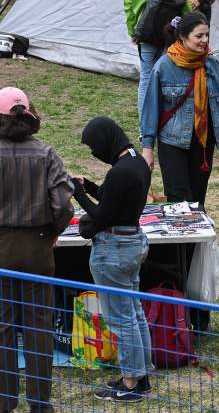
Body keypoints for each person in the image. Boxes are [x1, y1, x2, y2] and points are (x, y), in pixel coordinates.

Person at [0, 87, 73, 413]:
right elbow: (63, 204)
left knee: (0, 329)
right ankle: (39, 404)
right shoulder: (47, 155)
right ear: (30, 115)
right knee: (38, 328)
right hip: (37, 246)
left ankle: (3, 405)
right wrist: (52, 232)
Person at [74, 117, 154, 401]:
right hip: (132, 242)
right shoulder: (136, 162)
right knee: (133, 312)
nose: (95, 153)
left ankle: (130, 382)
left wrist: (79, 194)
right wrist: (93, 186)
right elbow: (116, 201)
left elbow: (102, 215)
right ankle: (142, 374)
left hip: (114, 249)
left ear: (106, 142)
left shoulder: (121, 172)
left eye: (95, 148)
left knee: (121, 319)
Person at [139, 11, 219, 205]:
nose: (204, 40)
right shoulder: (163, 66)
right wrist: (147, 148)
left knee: (198, 198)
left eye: (207, 35)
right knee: (179, 199)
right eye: (199, 36)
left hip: (203, 143)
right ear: (183, 36)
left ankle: (197, 234)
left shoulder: (212, 65)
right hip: (172, 142)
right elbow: (150, 109)